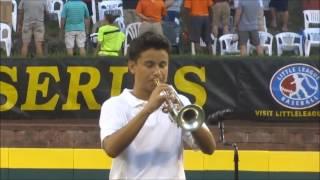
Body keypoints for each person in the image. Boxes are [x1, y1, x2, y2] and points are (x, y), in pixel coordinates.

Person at [99, 31, 216, 180]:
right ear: (132, 66)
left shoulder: (180, 102)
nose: (157, 72)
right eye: (149, 65)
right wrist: (148, 109)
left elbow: (210, 148)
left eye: (162, 65)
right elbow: (111, 149)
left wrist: (188, 120)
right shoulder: (115, 105)